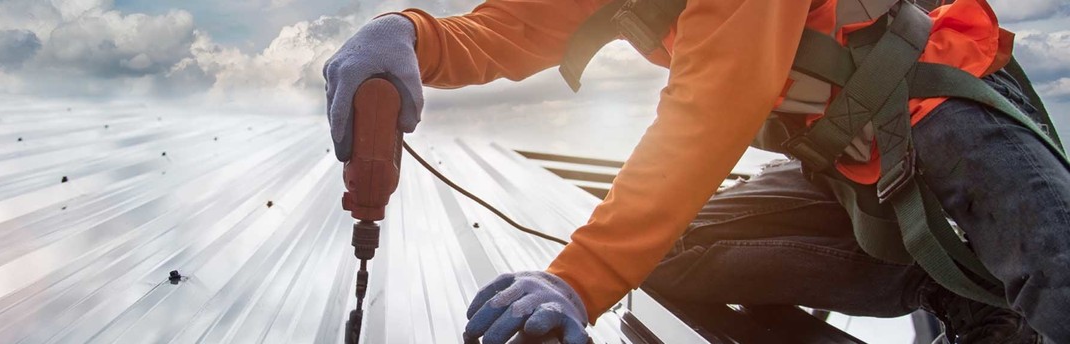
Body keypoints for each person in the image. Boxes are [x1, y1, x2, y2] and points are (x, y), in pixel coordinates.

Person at [322, 0, 1070, 343]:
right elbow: (511, 28)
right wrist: (406, 35)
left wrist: (579, 279)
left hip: (945, 114)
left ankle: (996, 302)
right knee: (676, 260)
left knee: (1060, 287)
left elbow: (713, 109)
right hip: (844, 167)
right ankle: (948, 286)